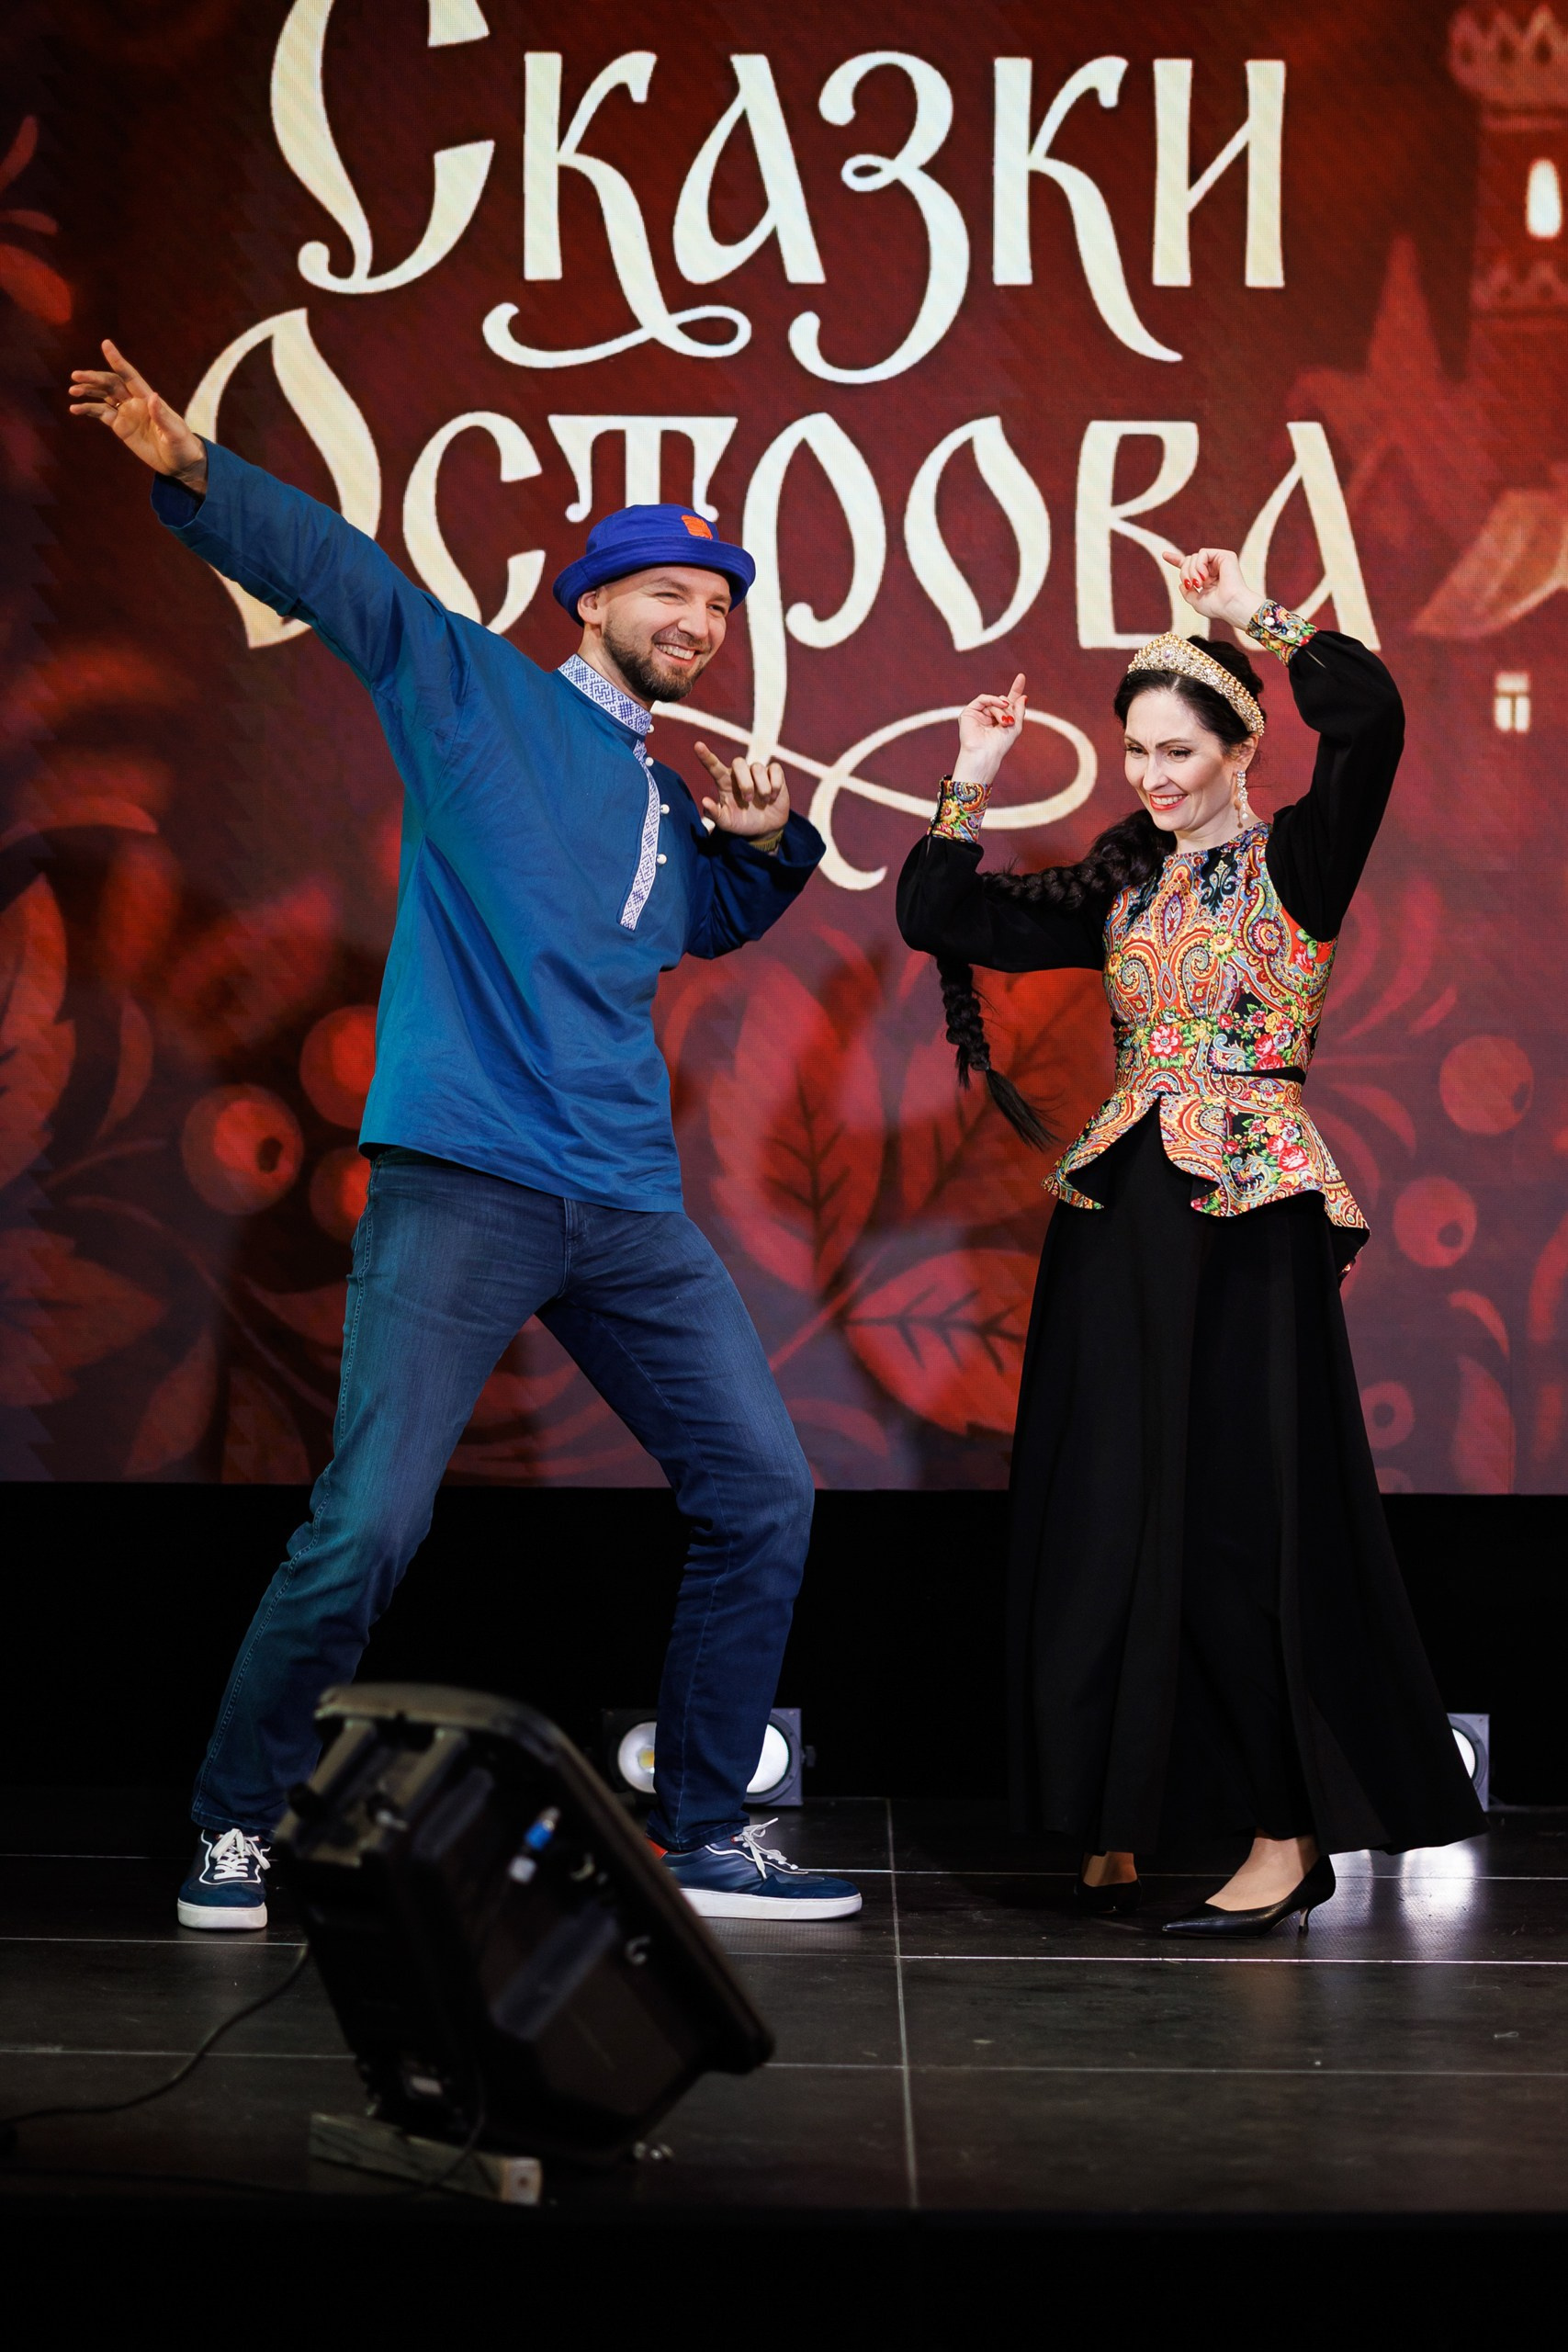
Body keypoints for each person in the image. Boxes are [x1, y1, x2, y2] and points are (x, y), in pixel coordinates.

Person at [69, 339, 862, 1930]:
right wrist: (195, 467)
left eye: (719, 608)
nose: (699, 623)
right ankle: (235, 1822)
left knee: (763, 1491)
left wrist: (772, 849)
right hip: (466, 1181)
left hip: (621, 1200)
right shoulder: (474, 692)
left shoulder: (663, 798)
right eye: (668, 595)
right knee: (370, 1522)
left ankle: (707, 1832)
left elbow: (692, 924)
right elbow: (345, 580)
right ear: (593, 600)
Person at [897, 546, 1483, 1939]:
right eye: (1137, 753)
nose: (1153, 776)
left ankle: (1286, 1835)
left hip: (1250, 1216)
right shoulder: (1126, 886)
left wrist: (1248, 617)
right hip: (1122, 1216)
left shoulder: (1299, 863)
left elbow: (1371, 715)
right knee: (1106, 1506)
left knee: (1239, 1517)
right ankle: (1119, 1817)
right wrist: (970, 774)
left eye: (1178, 750)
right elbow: (942, 914)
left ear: (1238, 749)